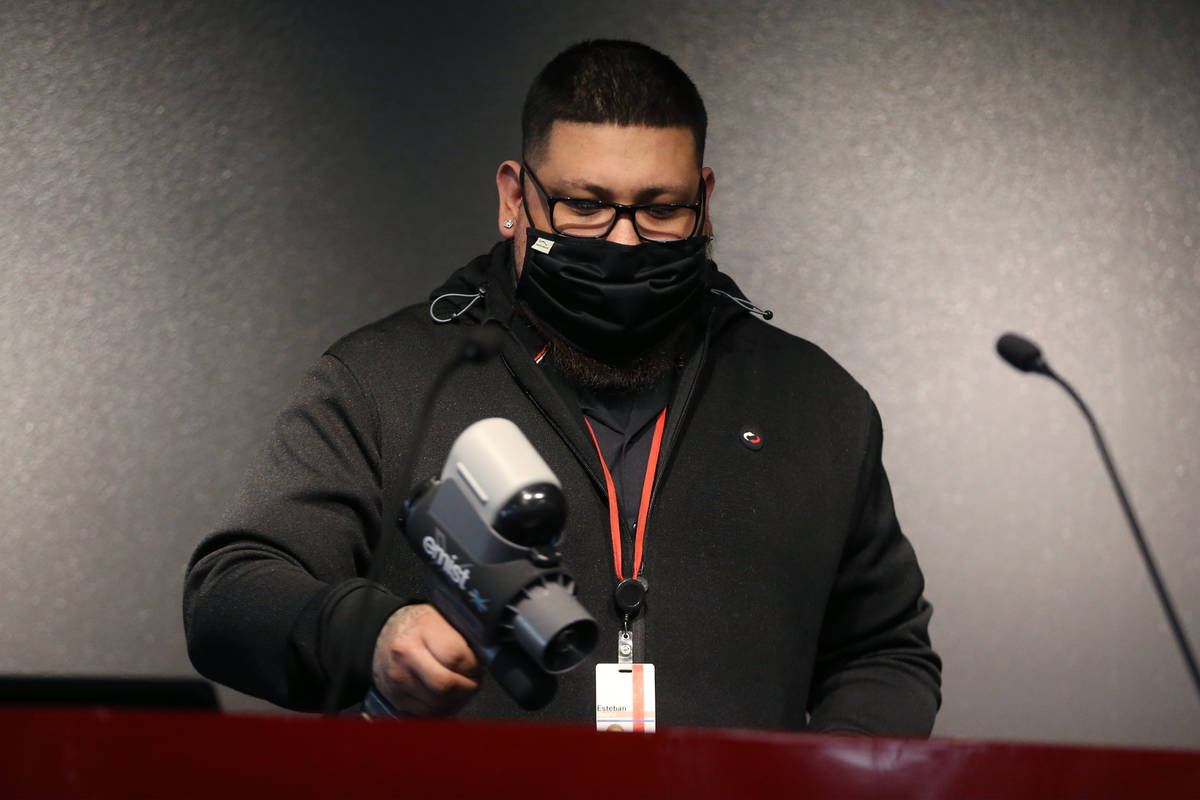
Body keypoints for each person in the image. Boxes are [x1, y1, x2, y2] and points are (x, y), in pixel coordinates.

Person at [183, 39, 941, 734]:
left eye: (660, 209)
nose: (621, 241)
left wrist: (830, 784)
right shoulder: (389, 380)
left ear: (705, 199)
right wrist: (375, 636)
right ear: (515, 198)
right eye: (584, 205)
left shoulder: (816, 404)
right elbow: (229, 593)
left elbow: (884, 653)